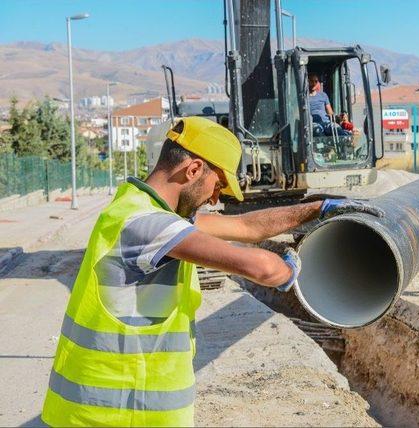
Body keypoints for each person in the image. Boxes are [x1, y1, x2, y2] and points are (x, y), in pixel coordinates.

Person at [41, 116, 381, 427]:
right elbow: (260, 268)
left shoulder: (139, 208)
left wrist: (315, 209)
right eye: (217, 185)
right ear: (193, 170)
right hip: (115, 414)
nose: (216, 198)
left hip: (120, 409)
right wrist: (289, 265)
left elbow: (246, 226)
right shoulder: (146, 225)